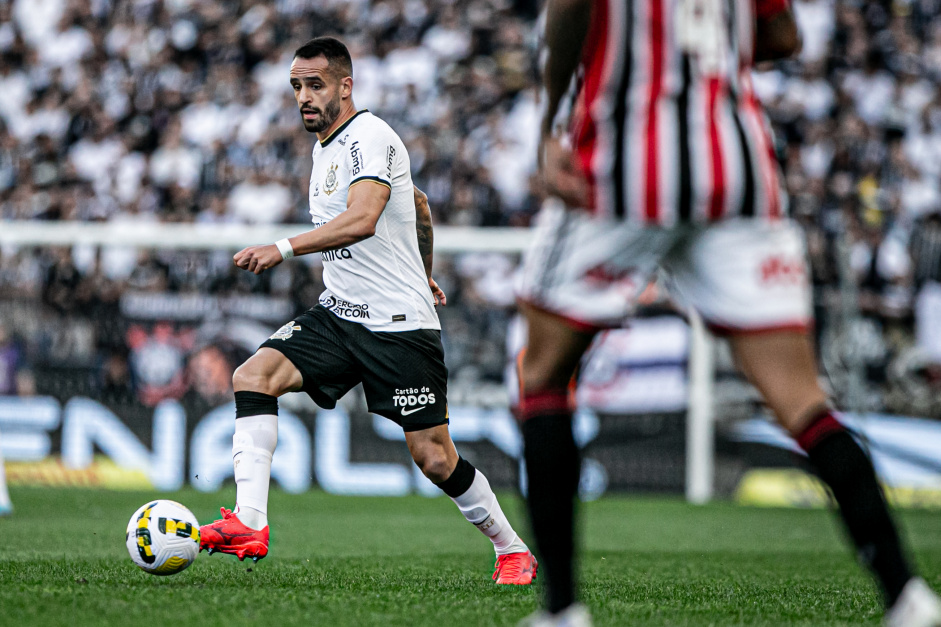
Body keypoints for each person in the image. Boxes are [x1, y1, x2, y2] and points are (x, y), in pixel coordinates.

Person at [515, 0, 941, 625]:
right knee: (801, 399)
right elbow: (784, 34)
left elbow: (571, 10)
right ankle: (908, 595)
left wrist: (553, 119)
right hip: (737, 171)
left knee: (543, 377)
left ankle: (561, 611)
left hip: (620, 170)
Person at [198, 37, 537, 585]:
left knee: (434, 457)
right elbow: (419, 204)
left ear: (344, 86)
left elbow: (363, 219)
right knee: (253, 376)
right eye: (296, 87)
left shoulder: (370, 136)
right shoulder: (325, 147)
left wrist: (282, 248)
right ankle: (250, 522)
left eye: (315, 85)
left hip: (397, 327)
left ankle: (512, 547)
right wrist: (423, 267)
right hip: (340, 314)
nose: (304, 97)